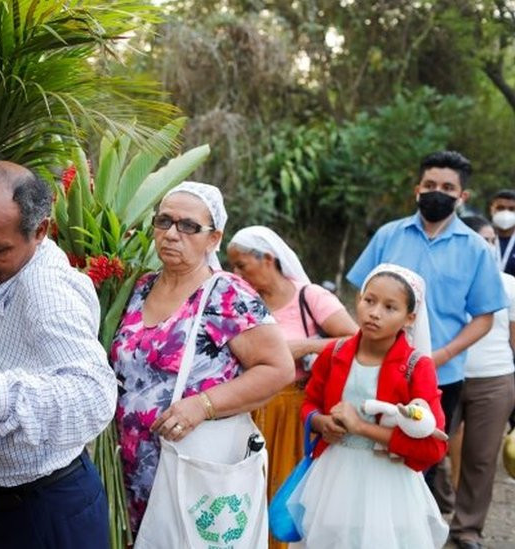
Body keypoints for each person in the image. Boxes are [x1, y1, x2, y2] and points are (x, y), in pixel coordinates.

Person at [0, 159, 117, 549]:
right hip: (5, 506)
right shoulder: (8, 272)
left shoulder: (47, 291)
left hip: (46, 513)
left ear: (39, 231)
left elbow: (95, 394)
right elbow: (1, 319)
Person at [110, 182, 294, 535]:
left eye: (189, 226)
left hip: (191, 468)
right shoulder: (139, 287)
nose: (171, 234)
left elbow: (279, 368)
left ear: (214, 238)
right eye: (163, 222)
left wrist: (203, 405)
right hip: (131, 470)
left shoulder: (226, 294)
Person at [346, 150, 506, 512]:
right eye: (430, 184)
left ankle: (413, 528)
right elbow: (360, 293)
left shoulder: (475, 249)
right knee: (370, 448)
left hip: (439, 374)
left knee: (422, 457)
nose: (438, 192)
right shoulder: (389, 235)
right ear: (418, 189)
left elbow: (484, 316)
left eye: (448, 187)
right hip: (376, 367)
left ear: (462, 197)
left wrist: (439, 356)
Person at [290, 263, 449, 548]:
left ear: (409, 317)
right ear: (358, 300)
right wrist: (319, 422)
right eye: (369, 300)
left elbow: (433, 445)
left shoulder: (417, 367)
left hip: (387, 484)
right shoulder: (334, 353)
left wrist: (361, 427)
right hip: (333, 477)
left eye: (390, 307)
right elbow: (310, 403)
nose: (375, 313)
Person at [227, 225, 358, 549]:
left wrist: (302, 348)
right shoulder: (243, 300)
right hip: (249, 408)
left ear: (268, 259)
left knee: (284, 488)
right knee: (246, 490)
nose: (236, 273)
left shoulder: (308, 297)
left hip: (294, 409)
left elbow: (356, 340)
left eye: (242, 265)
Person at [448, 216, 515, 549]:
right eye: (480, 239)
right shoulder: (445, 280)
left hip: (494, 378)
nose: (487, 246)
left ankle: (467, 529)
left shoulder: (510, 285)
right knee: (427, 451)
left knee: (481, 457)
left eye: (491, 239)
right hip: (446, 376)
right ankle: (428, 513)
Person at [488, 189, 515, 275]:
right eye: (500, 208)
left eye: (511, 209)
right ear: (491, 209)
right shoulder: (481, 238)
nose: (506, 212)